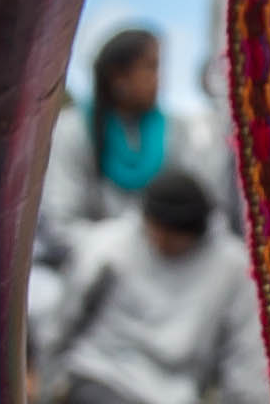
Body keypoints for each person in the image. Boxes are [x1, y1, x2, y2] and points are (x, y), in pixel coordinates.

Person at [48, 170, 262, 404]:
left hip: (178, 395)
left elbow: (244, 353)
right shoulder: (107, 247)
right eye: (155, 230)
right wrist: (50, 389)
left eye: (172, 235)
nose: (161, 240)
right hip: (101, 378)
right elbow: (65, 321)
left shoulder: (230, 266)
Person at [39, 22, 214, 266]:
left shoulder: (176, 131)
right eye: (150, 67)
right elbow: (59, 223)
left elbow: (200, 203)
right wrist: (132, 248)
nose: (159, 79)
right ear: (118, 77)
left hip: (169, 264)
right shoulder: (73, 131)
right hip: (92, 268)